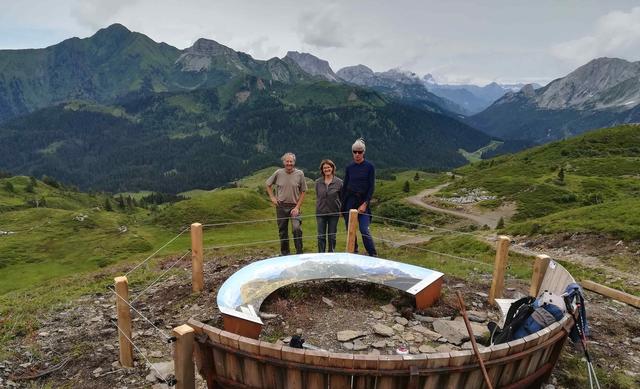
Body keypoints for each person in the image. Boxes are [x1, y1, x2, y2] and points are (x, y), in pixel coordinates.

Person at [266, 152, 307, 255]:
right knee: (283, 231)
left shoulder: (300, 174)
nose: (289, 163)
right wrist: (272, 197)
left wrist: (297, 207)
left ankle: (299, 252)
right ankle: (285, 254)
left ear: (294, 162)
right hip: (281, 206)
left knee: (297, 229)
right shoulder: (278, 173)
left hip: (294, 207)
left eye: (291, 161)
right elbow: (268, 184)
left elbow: (303, 191)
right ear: (283, 162)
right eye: (287, 161)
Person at [341, 138, 377, 256]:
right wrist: (342, 207)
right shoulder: (349, 167)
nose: (357, 154)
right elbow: (345, 186)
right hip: (349, 201)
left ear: (364, 152)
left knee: (363, 228)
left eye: (360, 152)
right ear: (352, 152)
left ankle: (372, 253)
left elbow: (371, 187)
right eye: (355, 152)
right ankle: (354, 252)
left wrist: (365, 203)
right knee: (350, 229)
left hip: (363, 201)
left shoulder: (370, 167)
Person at [315, 159, 343, 252]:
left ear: (332, 168)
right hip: (320, 212)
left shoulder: (339, 182)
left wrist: (341, 210)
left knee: (332, 236)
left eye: (328, 167)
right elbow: (318, 196)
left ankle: (331, 253)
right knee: (320, 236)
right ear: (322, 170)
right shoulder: (318, 182)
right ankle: (321, 255)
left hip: (334, 213)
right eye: (324, 168)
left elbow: (342, 197)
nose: (327, 169)